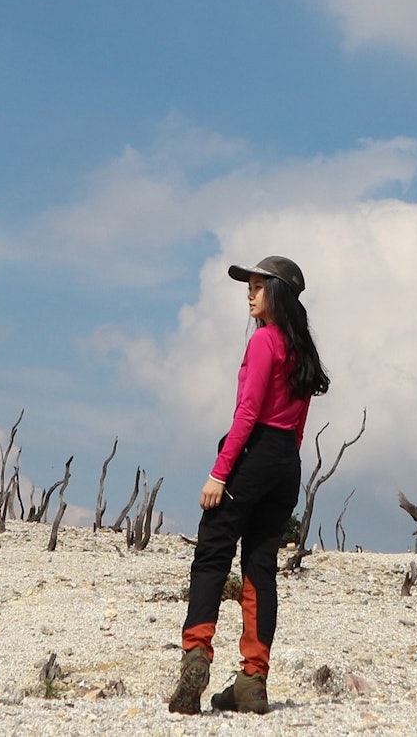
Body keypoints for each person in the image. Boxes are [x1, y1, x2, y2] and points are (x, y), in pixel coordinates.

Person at [168, 255, 330, 715]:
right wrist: (283, 462)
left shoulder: (264, 342)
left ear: (278, 294)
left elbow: (247, 413)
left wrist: (221, 472)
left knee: (213, 552)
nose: (250, 292)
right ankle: (252, 680)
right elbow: (297, 426)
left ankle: (197, 653)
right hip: (286, 464)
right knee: (260, 567)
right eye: (250, 286)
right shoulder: (303, 351)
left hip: (254, 453)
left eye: (258, 286)